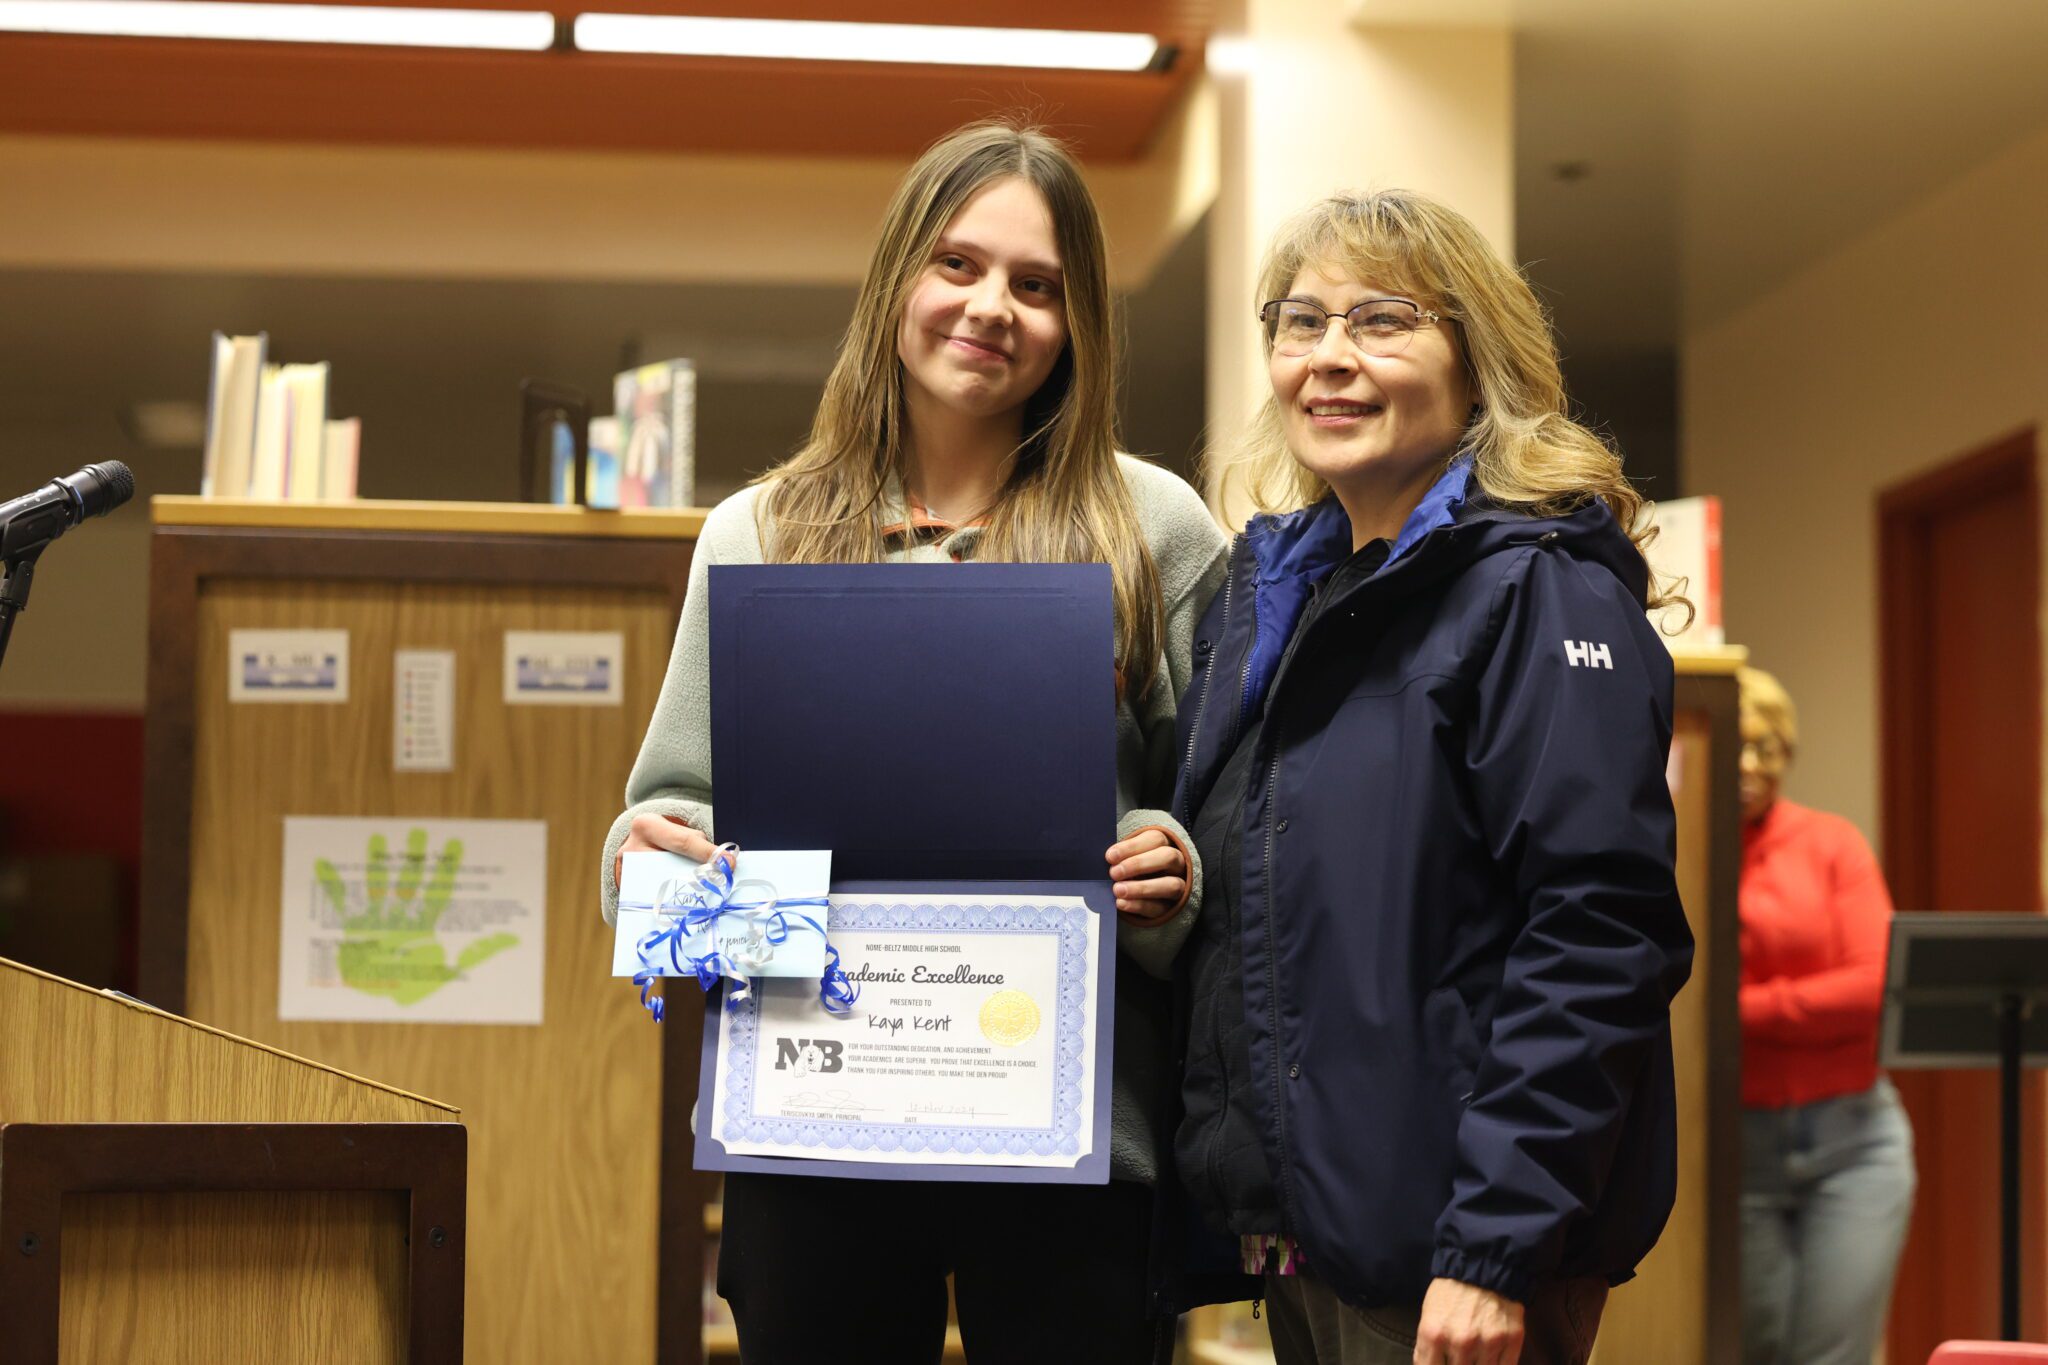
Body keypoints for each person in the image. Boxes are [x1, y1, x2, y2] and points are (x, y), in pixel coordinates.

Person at [598, 120, 1229, 1365]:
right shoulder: (758, 530)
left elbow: (1218, 827)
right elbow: (673, 816)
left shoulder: (1155, 526)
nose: (989, 307)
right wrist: (653, 862)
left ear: (1076, 322)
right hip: (817, 1112)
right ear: (896, 281)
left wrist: (1168, 873)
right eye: (956, 264)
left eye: (1035, 285)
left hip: (1072, 1131)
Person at [1169, 188, 1695, 1365]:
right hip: (1316, 1243)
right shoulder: (1274, 604)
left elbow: (1597, 934)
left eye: (1381, 321)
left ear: (1476, 360)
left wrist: (1492, 1245)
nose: (1327, 360)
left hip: (1456, 1261)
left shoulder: (1535, 589)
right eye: (1297, 322)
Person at [1735, 665, 1914, 1365]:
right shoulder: (1684, 850)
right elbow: (1684, 1013)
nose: (1753, 766)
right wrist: (1809, 1003)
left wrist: (1748, 1010)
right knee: (1756, 1348)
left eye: (1770, 748)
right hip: (1739, 1147)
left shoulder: (1831, 843)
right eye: (1741, 746)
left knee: (1832, 1355)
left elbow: (1874, 986)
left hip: (1856, 1141)